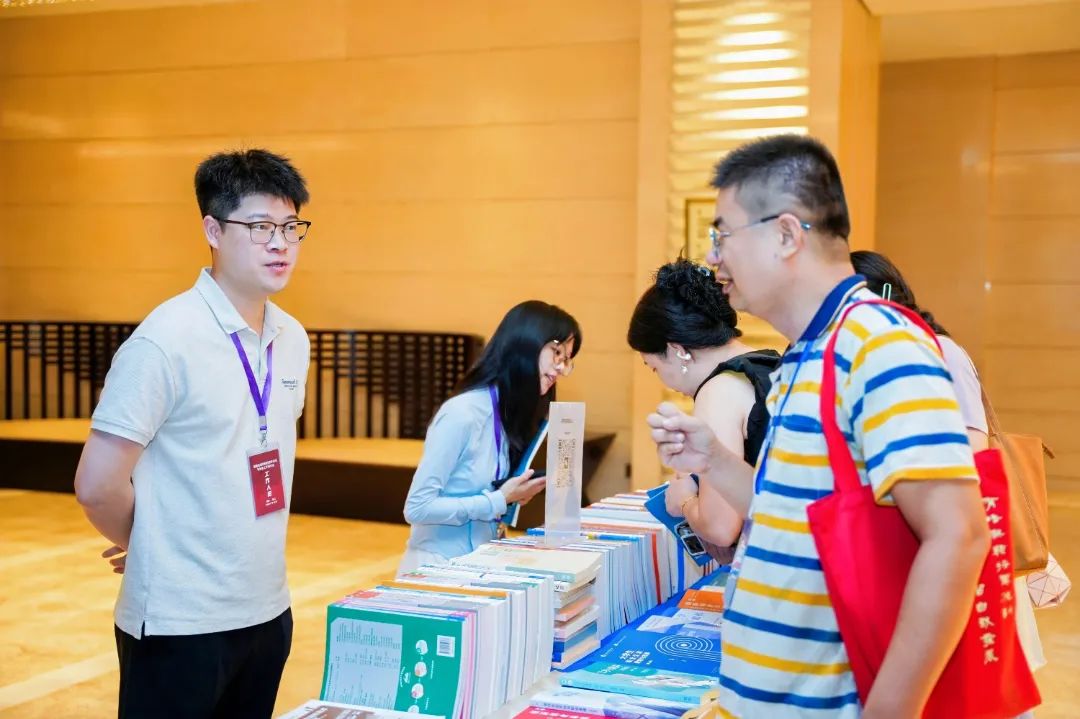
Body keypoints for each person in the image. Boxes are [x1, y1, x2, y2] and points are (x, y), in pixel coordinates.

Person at [647, 135, 990, 718]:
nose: (713, 257)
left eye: (722, 234)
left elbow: (958, 536)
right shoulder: (807, 354)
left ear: (786, 234)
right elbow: (785, 512)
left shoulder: (877, 343)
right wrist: (713, 460)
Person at [74, 149, 312, 719]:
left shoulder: (293, 337)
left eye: (290, 227)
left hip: (267, 610)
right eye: (260, 227)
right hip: (179, 624)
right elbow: (97, 485)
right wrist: (152, 544)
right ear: (212, 230)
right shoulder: (165, 340)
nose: (280, 243)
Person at [851, 249, 1047, 689]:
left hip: (962, 534)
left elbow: (973, 450)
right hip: (923, 539)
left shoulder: (941, 352)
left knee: (982, 675)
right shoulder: (884, 359)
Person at [398, 300, 581, 574]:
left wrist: (515, 495)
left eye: (566, 360)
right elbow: (417, 508)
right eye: (556, 353)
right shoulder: (462, 413)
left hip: (480, 565)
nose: (560, 369)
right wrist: (498, 500)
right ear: (524, 343)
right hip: (436, 570)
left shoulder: (507, 413)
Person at [627, 258, 780, 558]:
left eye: (654, 367)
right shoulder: (770, 362)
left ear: (677, 350)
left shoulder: (718, 391)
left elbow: (721, 527)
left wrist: (684, 501)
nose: (662, 379)